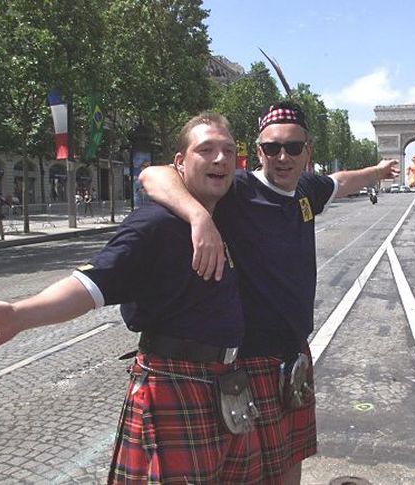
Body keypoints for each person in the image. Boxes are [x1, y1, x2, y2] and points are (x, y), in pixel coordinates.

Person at [0, 113, 263, 484]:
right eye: (207, 150)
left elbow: (152, 173)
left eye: (228, 151)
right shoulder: (154, 225)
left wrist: (201, 216)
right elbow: (91, 284)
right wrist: (21, 314)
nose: (220, 159)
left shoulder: (225, 207)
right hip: (176, 386)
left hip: (225, 385)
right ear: (180, 163)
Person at [140, 101, 399, 484]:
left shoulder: (307, 189)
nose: (282, 157)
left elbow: (341, 181)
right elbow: (153, 175)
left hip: (294, 354)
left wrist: (376, 171)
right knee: (249, 475)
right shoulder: (236, 188)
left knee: (289, 462)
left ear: (308, 152)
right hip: (248, 359)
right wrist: (199, 217)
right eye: (271, 147)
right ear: (257, 151)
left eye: (293, 147)